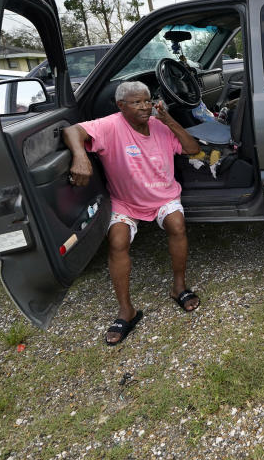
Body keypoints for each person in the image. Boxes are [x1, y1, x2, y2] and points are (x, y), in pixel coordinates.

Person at [63, 81, 202, 345]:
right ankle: (127, 310)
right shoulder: (110, 125)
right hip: (125, 201)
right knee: (117, 241)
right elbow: (72, 130)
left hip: (163, 195)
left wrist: (169, 119)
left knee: (177, 224)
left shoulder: (161, 125)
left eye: (147, 101)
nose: (144, 107)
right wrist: (79, 156)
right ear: (121, 106)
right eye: (136, 102)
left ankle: (179, 287)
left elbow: (193, 149)